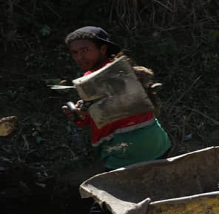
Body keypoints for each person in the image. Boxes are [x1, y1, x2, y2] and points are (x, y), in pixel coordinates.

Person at [61, 27, 171, 171]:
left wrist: (87, 108)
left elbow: (120, 107)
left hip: (128, 153)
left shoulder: (117, 71)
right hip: (142, 148)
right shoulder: (89, 78)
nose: (79, 57)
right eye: (75, 53)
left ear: (103, 49)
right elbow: (100, 116)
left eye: (85, 50)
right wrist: (79, 116)